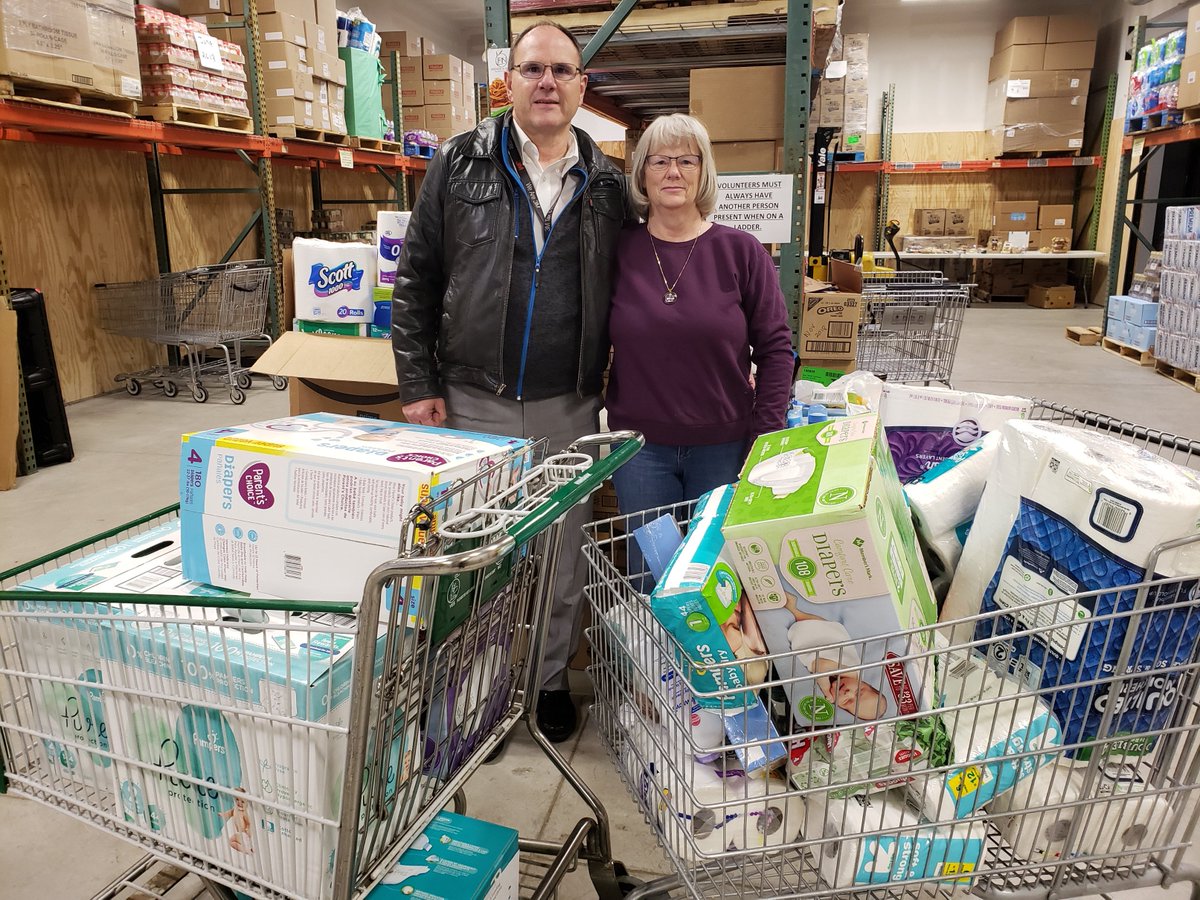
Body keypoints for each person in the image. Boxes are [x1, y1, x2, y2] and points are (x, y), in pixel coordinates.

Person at [391, 20, 627, 744]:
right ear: (509, 81)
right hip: (473, 401)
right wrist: (417, 381)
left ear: (582, 86)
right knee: (469, 562)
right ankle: (471, 691)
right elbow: (417, 277)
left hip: (569, 405)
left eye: (561, 70)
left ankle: (548, 681)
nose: (547, 82)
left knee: (560, 561)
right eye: (532, 69)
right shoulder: (458, 163)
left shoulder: (609, 182)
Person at [605, 113, 794, 537]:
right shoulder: (618, 251)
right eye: (659, 161)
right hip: (638, 450)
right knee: (651, 567)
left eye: (687, 161)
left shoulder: (742, 251)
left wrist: (766, 434)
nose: (673, 171)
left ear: (703, 171)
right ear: (642, 174)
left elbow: (776, 349)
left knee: (715, 565)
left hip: (724, 448)